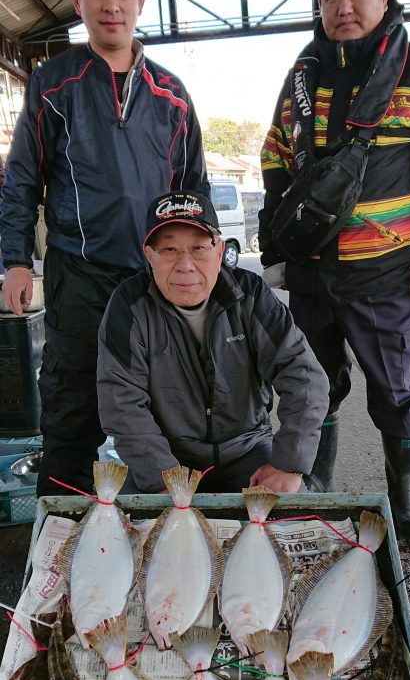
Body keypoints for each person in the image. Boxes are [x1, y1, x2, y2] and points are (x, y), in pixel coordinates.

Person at [0, 0, 208, 497]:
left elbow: (194, 192)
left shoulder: (172, 94)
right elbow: (22, 179)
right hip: (79, 276)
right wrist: (16, 261)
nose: (110, 4)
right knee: (70, 412)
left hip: (155, 281)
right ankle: (61, 536)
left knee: (171, 408)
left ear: (141, 0)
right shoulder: (52, 83)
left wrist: (199, 269)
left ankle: (170, 529)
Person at [259, 0, 410, 537]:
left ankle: (404, 497)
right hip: (312, 271)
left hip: (386, 273)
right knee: (314, 383)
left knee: (394, 389)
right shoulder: (303, 74)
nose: (342, 6)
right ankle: (319, 483)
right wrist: (273, 251)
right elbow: (274, 158)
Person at [96, 189, 329, 494]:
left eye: (198, 248)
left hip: (248, 449)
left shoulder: (251, 295)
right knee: (129, 522)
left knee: (295, 512)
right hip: (166, 456)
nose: (185, 265)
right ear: (149, 255)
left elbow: (304, 375)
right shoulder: (129, 306)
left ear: (219, 252)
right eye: (169, 250)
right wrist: (163, 479)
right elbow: (122, 403)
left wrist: (288, 463)